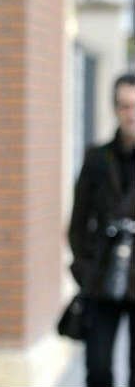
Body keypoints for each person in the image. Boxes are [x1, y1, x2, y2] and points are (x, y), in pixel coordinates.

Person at [68, 73, 135, 387]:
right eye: (124, 106)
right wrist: (84, 268)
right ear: (115, 109)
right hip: (101, 277)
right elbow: (77, 222)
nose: (130, 114)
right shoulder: (97, 158)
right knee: (97, 367)